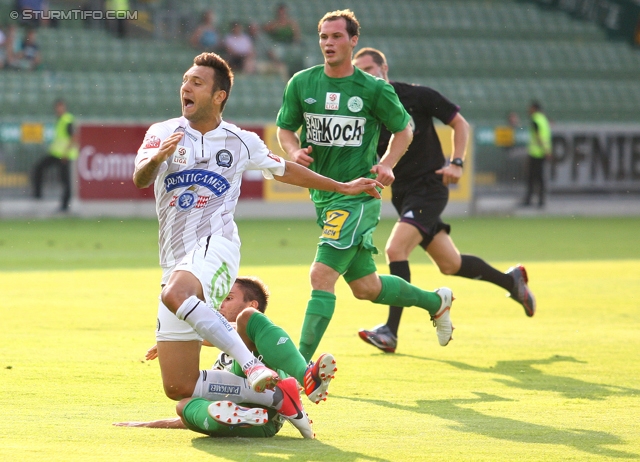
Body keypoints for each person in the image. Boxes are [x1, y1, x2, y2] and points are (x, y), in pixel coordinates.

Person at [132, 52, 379, 416]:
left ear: (219, 96)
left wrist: (342, 187)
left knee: (177, 293)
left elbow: (286, 171)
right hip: (175, 258)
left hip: (217, 244)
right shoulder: (162, 132)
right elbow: (140, 178)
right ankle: (278, 395)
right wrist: (155, 160)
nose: (186, 86)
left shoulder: (241, 140)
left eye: (197, 82)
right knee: (178, 386)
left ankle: (251, 364)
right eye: (185, 80)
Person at [275, 9, 455, 364]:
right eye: (324, 37)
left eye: (337, 36)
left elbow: (405, 129)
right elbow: (284, 128)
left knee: (321, 274)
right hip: (325, 197)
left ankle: (296, 370)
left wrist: (386, 164)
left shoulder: (373, 89)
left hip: (358, 195)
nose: (329, 43)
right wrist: (294, 150)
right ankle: (437, 302)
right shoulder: (302, 83)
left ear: (353, 40)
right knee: (367, 288)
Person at [352, 48, 536, 354]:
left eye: (371, 68)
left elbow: (460, 124)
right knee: (450, 264)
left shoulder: (417, 96)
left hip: (429, 187)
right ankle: (511, 281)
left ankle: (390, 332)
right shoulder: (366, 109)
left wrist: (457, 162)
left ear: (385, 67)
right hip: (403, 194)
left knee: (395, 249)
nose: (367, 75)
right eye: (360, 72)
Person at [118, 276, 338, 439]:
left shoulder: (262, 336)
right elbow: (207, 412)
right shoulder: (225, 353)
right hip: (252, 425)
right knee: (183, 405)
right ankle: (244, 414)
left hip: (269, 415)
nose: (221, 305)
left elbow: (230, 329)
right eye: (221, 299)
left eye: (229, 298)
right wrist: (148, 424)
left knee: (247, 320)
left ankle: (307, 375)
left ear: (253, 303)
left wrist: (184, 340)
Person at [32, 99, 78, 212]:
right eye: (57, 107)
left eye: (60, 107)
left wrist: (66, 153)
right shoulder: (59, 120)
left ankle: (65, 206)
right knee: (38, 168)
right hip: (56, 153)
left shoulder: (67, 120)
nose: (58, 109)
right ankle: (38, 195)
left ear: (64, 108)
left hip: (64, 155)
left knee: (65, 181)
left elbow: (74, 138)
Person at [522, 101, 552, 208]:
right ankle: (541, 200)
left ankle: (530, 200)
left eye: (530, 108)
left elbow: (539, 135)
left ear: (534, 108)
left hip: (536, 153)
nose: (528, 110)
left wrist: (544, 149)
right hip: (542, 152)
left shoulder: (535, 119)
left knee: (532, 178)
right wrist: (547, 150)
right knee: (540, 178)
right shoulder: (543, 119)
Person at [262, 3, 304, 76]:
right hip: (278, 45)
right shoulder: (274, 23)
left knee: (297, 53)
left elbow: (297, 36)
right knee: (278, 52)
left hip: (290, 45)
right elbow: (265, 30)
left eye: (284, 12)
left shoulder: (291, 23)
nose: (282, 14)